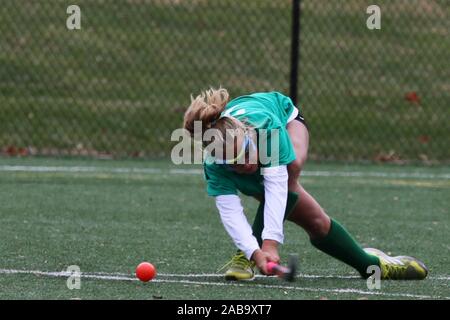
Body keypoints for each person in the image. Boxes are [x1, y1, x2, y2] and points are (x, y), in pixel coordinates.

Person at [183, 87, 428, 281]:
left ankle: (372, 266)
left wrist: (270, 244)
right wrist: (255, 252)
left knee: (292, 170)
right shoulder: (215, 167)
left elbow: (277, 188)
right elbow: (231, 214)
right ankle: (371, 265)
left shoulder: (267, 131)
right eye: (233, 163)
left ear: (248, 137)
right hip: (258, 159)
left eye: (246, 152)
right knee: (318, 224)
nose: (245, 164)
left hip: (285, 117)